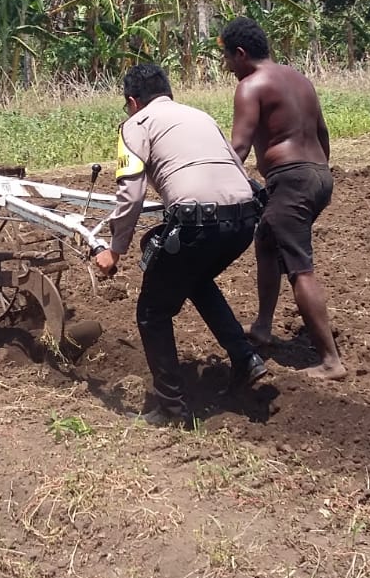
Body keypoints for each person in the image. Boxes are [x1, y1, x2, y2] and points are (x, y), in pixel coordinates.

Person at [93, 63, 268, 428]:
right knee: (196, 281)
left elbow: (131, 195)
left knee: (152, 313)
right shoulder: (199, 116)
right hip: (243, 221)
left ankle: (173, 411)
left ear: (132, 101)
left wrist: (115, 249)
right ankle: (245, 358)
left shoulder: (135, 125)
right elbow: (233, 165)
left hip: (198, 224)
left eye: (127, 106)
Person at [219, 16, 348, 381]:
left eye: (228, 59)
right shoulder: (299, 80)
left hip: (291, 180)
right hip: (319, 176)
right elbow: (323, 135)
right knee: (266, 242)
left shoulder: (251, 85)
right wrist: (311, 174)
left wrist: (216, 183)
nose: (228, 67)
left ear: (241, 54)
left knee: (298, 267)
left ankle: (331, 361)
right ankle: (262, 327)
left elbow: (239, 147)